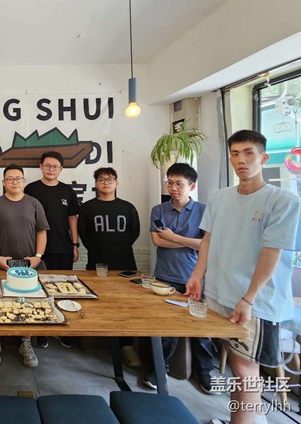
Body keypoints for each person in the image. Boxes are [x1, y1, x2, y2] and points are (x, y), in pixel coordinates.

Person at [187, 130, 301, 424]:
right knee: (238, 368)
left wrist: (248, 299)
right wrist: (198, 275)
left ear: (263, 158)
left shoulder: (283, 200)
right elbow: (208, 239)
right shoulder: (220, 197)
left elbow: (272, 252)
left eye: (249, 153)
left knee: (245, 370)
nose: (241, 160)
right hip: (219, 293)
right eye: (235, 154)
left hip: (255, 303)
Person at [142, 163, 216, 394]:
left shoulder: (204, 210)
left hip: (195, 277)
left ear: (191, 186)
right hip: (164, 276)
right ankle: (159, 369)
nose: (173, 188)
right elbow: (157, 241)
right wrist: (190, 242)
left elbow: (207, 244)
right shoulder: (158, 210)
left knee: (201, 328)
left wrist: (173, 237)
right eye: (170, 183)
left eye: (179, 184)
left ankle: (205, 371)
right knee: (165, 327)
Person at [0, 164, 50, 367]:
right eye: (10, 179)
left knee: (29, 303)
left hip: (30, 265)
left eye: (18, 178)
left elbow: (41, 231)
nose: (14, 182)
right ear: (3, 182)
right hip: (2, 264)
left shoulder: (34, 203)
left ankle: (26, 343)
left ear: (24, 181)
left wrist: (38, 257)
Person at [78, 167, 141, 367]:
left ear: (117, 183)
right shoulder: (87, 208)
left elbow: (134, 233)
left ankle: (126, 345)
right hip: (97, 263)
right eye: (101, 179)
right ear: (96, 183)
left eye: (110, 179)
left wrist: (118, 247)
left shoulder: (128, 207)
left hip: (125, 263)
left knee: (125, 305)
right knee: (97, 302)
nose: (106, 182)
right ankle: (97, 341)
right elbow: (83, 234)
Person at [25, 151, 79, 349]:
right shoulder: (31, 189)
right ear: (40, 167)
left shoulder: (68, 191)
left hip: (63, 247)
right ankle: (41, 331)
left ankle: (62, 330)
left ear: (61, 169)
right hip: (37, 250)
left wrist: (75, 244)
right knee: (38, 291)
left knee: (63, 290)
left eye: (55, 166)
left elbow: (72, 218)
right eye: (47, 165)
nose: (51, 169)